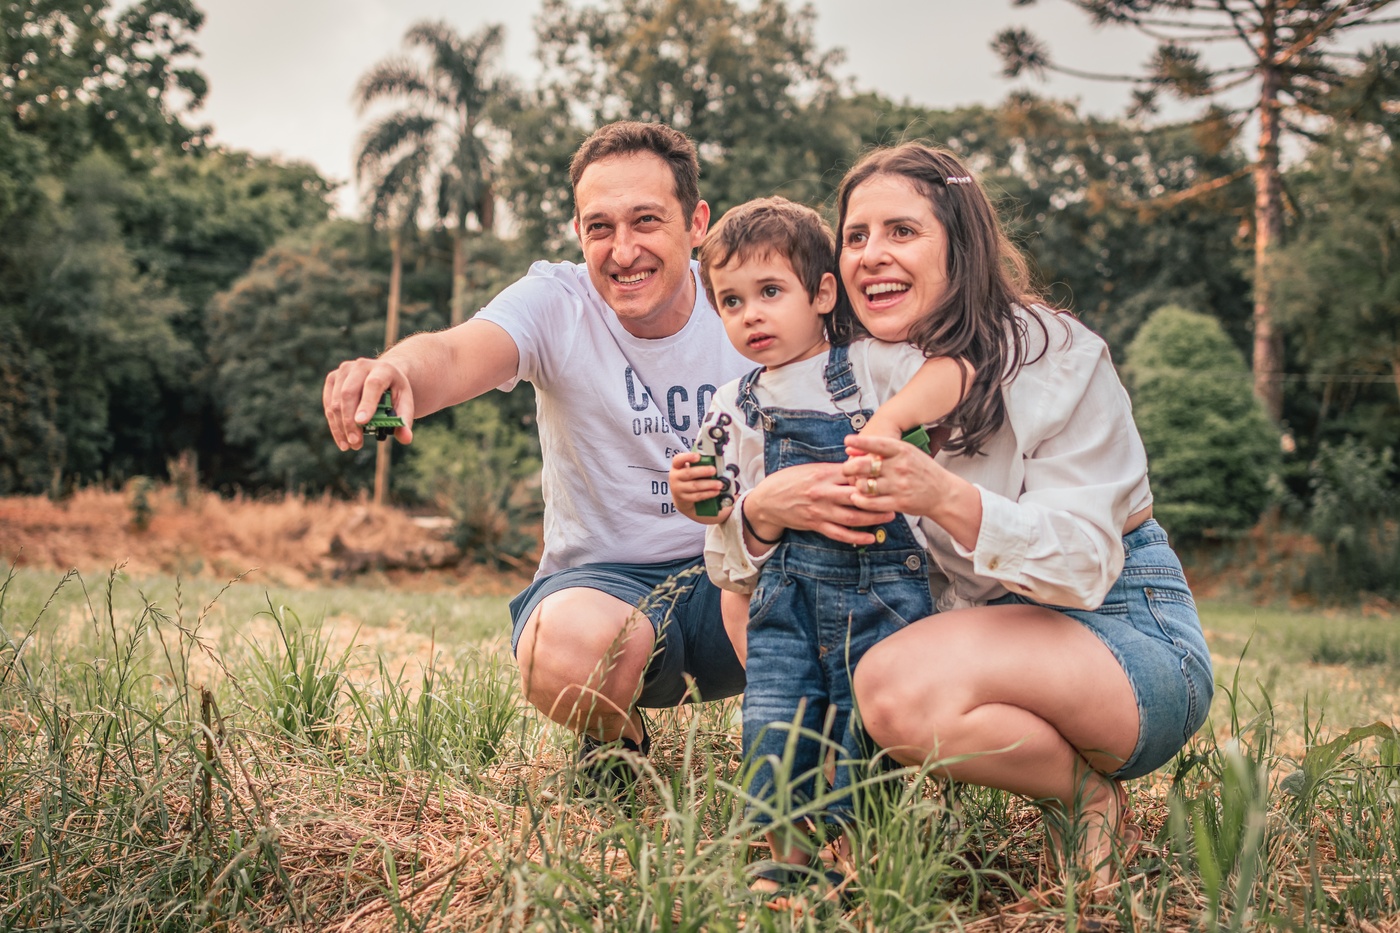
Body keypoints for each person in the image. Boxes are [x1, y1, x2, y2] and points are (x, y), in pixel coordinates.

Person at [710, 143, 1214, 907]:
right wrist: (759, 512)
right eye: (855, 236)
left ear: (961, 242)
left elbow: (1084, 567)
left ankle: (1086, 798)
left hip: (1122, 634)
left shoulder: (1050, 351)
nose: (872, 254)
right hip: (968, 640)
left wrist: (943, 495)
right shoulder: (840, 372)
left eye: (902, 231)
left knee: (893, 683)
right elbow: (735, 568)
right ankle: (821, 824)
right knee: (759, 602)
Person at [322, 121, 750, 791]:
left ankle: (814, 752)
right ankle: (615, 742)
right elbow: (456, 351)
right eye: (600, 227)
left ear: (697, 223)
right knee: (565, 650)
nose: (624, 249)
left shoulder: (750, 300)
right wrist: (396, 370)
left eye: (646, 220)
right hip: (608, 585)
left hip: (747, 570)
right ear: (578, 232)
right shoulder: (556, 302)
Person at [668, 196, 972, 900]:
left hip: (880, 592)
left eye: (771, 292)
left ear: (823, 293)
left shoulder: (868, 366)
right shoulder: (732, 403)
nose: (751, 315)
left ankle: (870, 854)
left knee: (863, 727)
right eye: (732, 301)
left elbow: (953, 372)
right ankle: (788, 859)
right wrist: (695, 496)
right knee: (776, 719)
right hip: (784, 598)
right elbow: (721, 505)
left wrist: (892, 421)